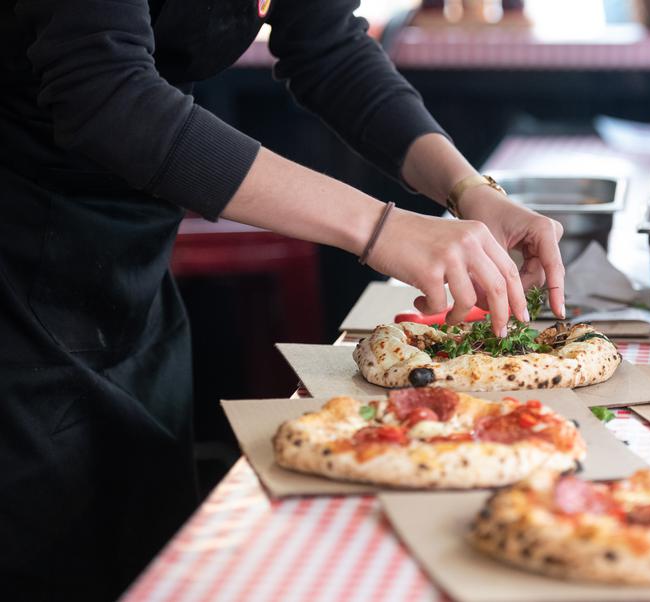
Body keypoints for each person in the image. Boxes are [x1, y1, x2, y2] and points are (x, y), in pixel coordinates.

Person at [0, 1, 566, 599]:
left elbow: (327, 47)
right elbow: (109, 96)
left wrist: (469, 188)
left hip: (122, 252)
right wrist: (382, 229)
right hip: (14, 253)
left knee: (147, 546)